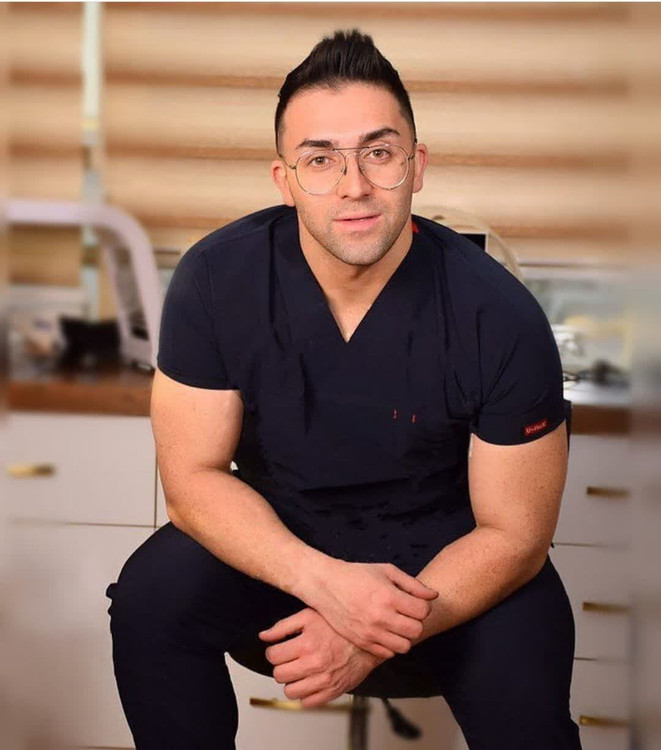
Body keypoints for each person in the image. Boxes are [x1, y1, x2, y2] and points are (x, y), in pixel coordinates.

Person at [105, 29, 582, 750]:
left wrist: (369, 629)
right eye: (320, 160)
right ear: (284, 179)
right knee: (150, 599)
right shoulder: (215, 281)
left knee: (530, 710)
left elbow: (515, 537)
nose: (353, 186)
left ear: (417, 165)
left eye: (379, 153)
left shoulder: (500, 316)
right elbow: (191, 482)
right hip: (283, 553)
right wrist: (326, 584)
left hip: (455, 574)